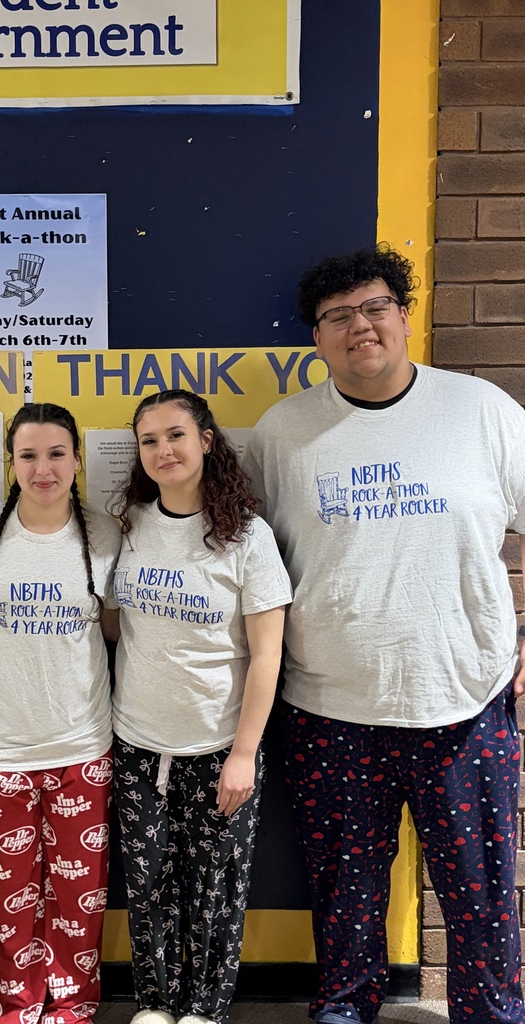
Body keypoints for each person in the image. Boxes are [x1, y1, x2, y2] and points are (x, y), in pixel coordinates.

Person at [242, 245, 525, 1024]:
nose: (359, 327)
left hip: (465, 703)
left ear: (403, 316)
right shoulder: (282, 431)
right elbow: (248, 560)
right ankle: (344, 1011)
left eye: (373, 309)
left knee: (483, 898)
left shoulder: (481, 411)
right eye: (338, 317)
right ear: (317, 338)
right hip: (329, 706)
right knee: (345, 900)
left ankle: (491, 1014)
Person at [110, 389, 291, 1024]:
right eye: (149, 440)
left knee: (216, 890)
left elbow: (267, 655)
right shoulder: (128, 526)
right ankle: (158, 1005)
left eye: (176, 435)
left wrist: (244, 753)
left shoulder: (248, 536)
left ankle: (204, 1011)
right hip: (137, 744)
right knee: (149, 884)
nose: (163, 449)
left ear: (206, 440)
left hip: (220, 748)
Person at [0, 402, 120, 1024]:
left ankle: (72, 1007)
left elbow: (110, 628)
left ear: (76, 459)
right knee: (7, 900)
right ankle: (16, 1007)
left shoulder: (104, 535)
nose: (43, 467)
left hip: (83, 744)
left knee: (80, 896)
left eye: (56, 453)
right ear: (12, 462)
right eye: (28, 454)